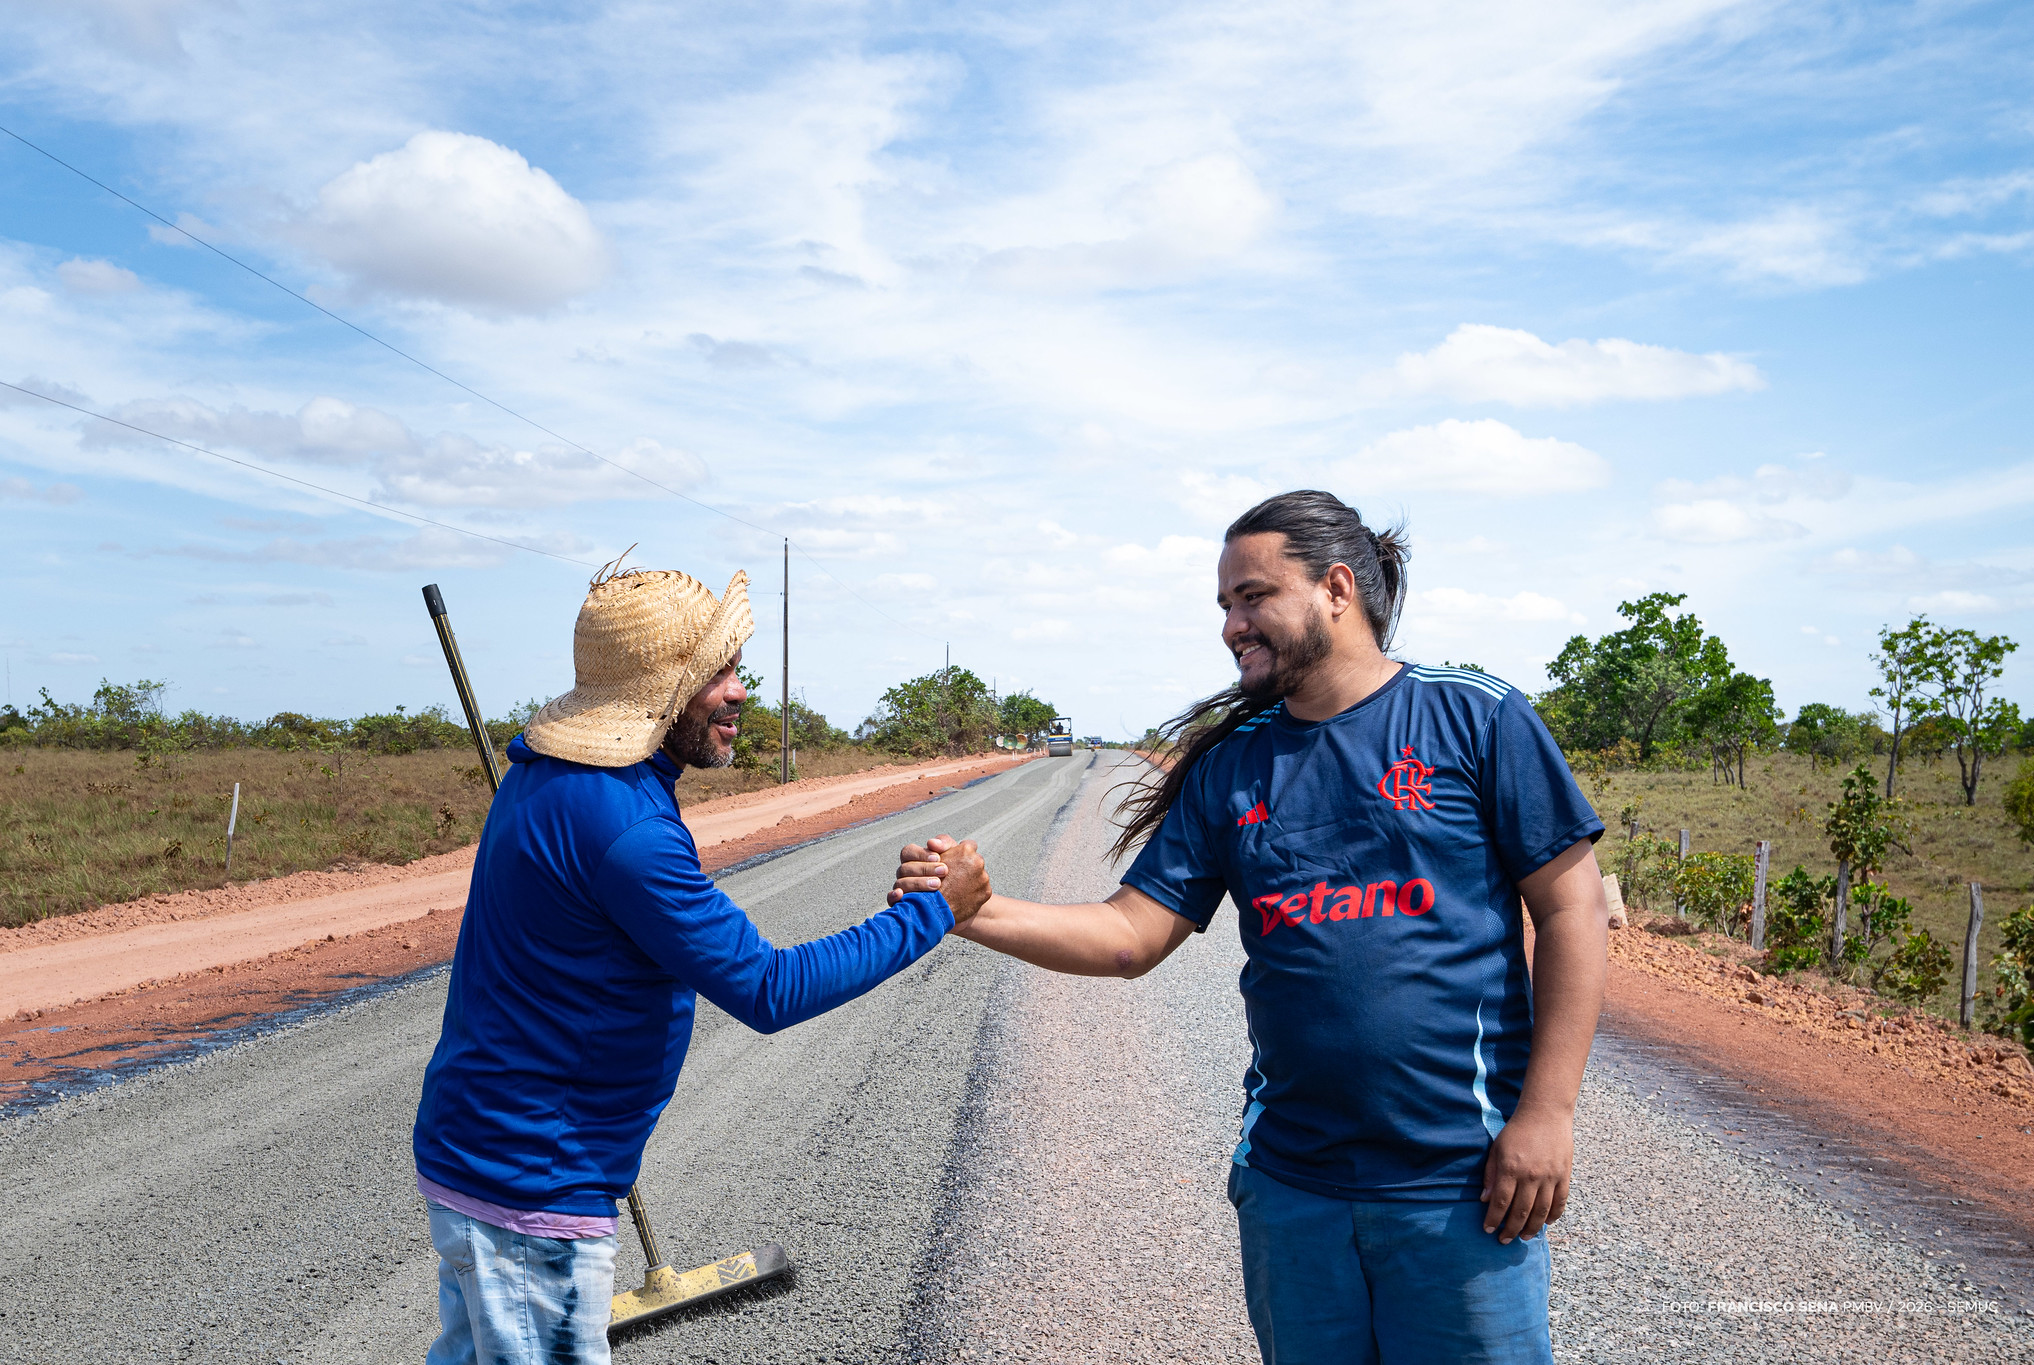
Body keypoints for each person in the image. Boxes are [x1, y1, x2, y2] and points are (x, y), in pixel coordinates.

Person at [893, 490, 1606, 1364]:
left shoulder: (1473, 716)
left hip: (1461, 1185)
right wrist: (972, 910)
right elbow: (1129, 935)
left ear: (1335, 588)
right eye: (1224, 604)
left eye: (1252, 597)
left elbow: (1571, 909)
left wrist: (1547, 1114)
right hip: (1291, 1191)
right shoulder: (1232, 765)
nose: (1231, 626)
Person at [413, 559, 989, 1365]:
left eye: (735, 668)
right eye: (717, 673)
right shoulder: (628, 829)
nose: (739, 691)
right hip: (531, 1183)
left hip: (483, 1153)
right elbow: (768, 988)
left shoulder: (543, 776)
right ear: (660, 692)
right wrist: (931, 912)